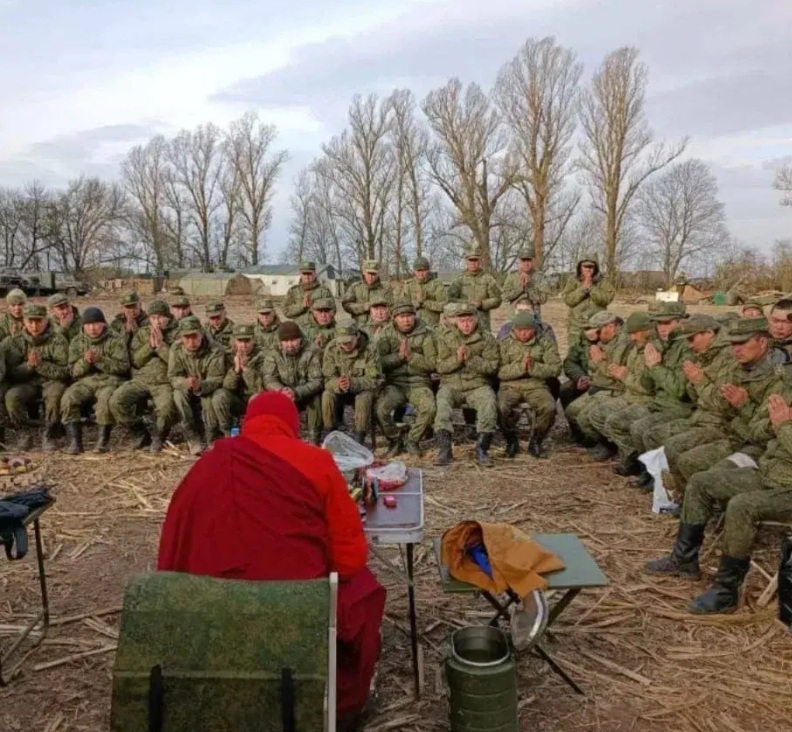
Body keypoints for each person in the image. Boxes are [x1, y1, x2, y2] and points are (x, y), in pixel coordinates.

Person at [156, 391, 386, 729]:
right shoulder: (316, 462)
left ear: (247, 423)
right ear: (292, 425)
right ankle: (344, 709)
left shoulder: (208, 464)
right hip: (298, 608)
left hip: (212, 611)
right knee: (363, 592)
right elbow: (350, 559)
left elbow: (170, 553)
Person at [645, 383, 792, 615]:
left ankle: (726, 592)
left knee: (742, 506)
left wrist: (783, 426)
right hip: (769, 473)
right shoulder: (787, 390)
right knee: (700, 482)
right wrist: (773, 423)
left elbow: (781, 429)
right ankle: (684, 560)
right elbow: (755, 429)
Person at [434, 304, 500, 467]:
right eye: (462, 320)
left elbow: (492, 367)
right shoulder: (446, 337)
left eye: (469, 320)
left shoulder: (486, 338)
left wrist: (471, 359)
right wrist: (457, 360)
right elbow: (440, 366)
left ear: (476, 320)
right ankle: (444, 449)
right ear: (456, 321)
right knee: (442, 405)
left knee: (489, 403)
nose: (465, 324)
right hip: (451, 385)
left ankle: (482, 448)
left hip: (477, 385)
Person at [110, 299, 178, 452]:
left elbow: (177, 363)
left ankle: (159, 437)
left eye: (161, 317)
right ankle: (140, 433)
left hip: (164, 382)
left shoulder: (177, 334)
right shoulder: (142, 333)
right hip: (141, 379)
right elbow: (135, 361)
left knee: (166, 409)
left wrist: (161, 346)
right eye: (153, 318)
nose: (157, 321)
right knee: (116, 401)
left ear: (168, 317)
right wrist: (150, 346)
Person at [2, 303, 70, 451]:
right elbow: (12, 373)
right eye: (30, 321)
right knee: (12, 396)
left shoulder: (58, 340)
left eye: (39, 321)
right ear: (24, 322)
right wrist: (28, 366)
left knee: (55, 395)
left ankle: (50, 434)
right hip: (28, 383)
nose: (34, 325)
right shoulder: (16, 341)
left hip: (51, 382)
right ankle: (23, 433)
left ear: (46, 320)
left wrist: (41, 365)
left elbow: (65, 372)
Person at [62, 307, 130, 454]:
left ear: (104, 324)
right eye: (88, 325)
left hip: (110, 380)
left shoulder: (115, 339)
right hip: (86, 381)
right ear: (83, 326)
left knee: (105, 400)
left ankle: (103, 440)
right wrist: (85, 362)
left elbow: (123, 367)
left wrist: (100, 360)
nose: (92, 328)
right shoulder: (77, 341)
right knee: (68, 398)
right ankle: (76, 441)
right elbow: (73, 371)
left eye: (96, 324)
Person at [375, 300, 437, 456]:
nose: (406, 320)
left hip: (419, 383)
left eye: (409, 316)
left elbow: (433, 364)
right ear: (394, 318)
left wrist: (412, 357)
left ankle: (412, 440)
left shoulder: (426, 333)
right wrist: (398, 357)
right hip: (395, 384)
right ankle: (395, 439)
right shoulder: (386, 333)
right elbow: (378, 362)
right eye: (401, 317)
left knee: (429, 408)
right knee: (380, 409)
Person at [497, 311, 561, 458]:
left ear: (534, 329)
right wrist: (521, 367)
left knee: (549, 407)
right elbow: (500, 371)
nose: (524, 334)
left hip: (537, 385)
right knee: (500, 407)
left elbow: (555, 368)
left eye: (527, 330)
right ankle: (511, 440)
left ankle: (536, 441)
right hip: (510, 385)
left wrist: (533, 367)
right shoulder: (504, 343)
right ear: (513, 330)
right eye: (519, 330)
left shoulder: (545, 343)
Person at [168, 316, 227, 455]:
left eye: (194, 336)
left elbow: (217, 378)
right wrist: (184, 382)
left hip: (208, 388)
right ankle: (192, 436)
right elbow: (173, 375)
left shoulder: (215, 349)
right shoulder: (176, 348)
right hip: (187, 387)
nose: (191, 341)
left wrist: (201, 385)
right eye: (186, 338)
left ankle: (211, 434)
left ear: (201, 333)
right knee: (178, 395)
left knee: (214, 397)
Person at [263, 321, 324, 445]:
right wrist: (281, 390)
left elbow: (317, 381)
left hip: (305, 393)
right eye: (285, 341)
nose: (289, 345)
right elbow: (269, 378)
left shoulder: (312, 350)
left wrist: (296, 392)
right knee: (271, 400)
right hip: (283, 394)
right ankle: (280, 437)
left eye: (293, 340)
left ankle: (314, 438)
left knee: (316, 399)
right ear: (280, 342)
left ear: (300, 339)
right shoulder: (273, 351)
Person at [321, 324, 382, 445]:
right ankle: (329, 433)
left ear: (357, 336)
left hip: (362, 389)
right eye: (342, 343)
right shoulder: (332, 348)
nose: (346, 345)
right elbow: (327, 378)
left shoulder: (370, 349)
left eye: (349, 342)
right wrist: (337, 384)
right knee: (327, 395)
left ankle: (359, 438)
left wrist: (352, 383)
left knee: (363, 399)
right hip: (340, 389)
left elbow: (374, 380)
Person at [216, 324, 266, 436]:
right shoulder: (229, 356)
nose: (244, 345)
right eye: (240, 341)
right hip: (237, 400)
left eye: (247, 341)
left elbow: (259, 387)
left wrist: (246, 369)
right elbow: (227, 386)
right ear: (235, 342)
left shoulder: (263, 356)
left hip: (256, 398)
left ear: (253, 340)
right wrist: (236, 369)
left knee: (257, 398)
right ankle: (227, 432)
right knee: (219, 395)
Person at [447, 247, 502, 334]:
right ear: (467, 262)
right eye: (471, 260)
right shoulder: (460, 279)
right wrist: (466, 303)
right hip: (464, 325)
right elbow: (449, 298)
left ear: (479, 261)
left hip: (483, 324)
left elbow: (497, 299)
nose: (473, 263)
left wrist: (482, 304)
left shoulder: (488, 278)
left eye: (476, 260)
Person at [562, 254, 615, 340]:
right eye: (585, 266)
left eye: (591, 267)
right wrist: (583, 288)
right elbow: (568, 300)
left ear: (596, 268)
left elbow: (606, 299)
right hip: (576, 328)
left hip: (597, 327)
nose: (588, 269)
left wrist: (591, 287)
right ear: (580, 267)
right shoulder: (573, 281)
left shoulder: (603, 281)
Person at [500, 248, 551, 316]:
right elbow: (504, 297)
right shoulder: (512, 276)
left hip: (534, 316)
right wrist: (521, 288)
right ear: (520, 262)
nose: (526, 264)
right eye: (523, 260)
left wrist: (529, 286)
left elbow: (543, 299)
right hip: (514, 316)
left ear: (533, 261)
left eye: (529, 260)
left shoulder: (540, 277)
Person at [282, 261, 334, 326]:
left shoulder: (324, 291)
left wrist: (315, 310)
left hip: (319, 328)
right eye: (304, 274)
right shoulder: (293, 291)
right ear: (300, 274)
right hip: (299, 329)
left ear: (314, 274)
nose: (307, 276)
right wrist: (301, 306)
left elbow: (332, 310)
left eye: (309, 274)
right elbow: (286, 311)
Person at [399, 256, 446, 326]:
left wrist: (425, 302)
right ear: (414, 271)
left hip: (431, 326)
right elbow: (402, 306)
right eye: (418, 271)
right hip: (412, 326)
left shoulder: (437, 284)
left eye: (423, 270)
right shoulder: (408, 285)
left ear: (428, 270)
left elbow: (443, 306)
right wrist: (417, 302)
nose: (421, 274)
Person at [341, 261, 391, 325]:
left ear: (378, 274)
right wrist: (363, 307)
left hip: (380, 326)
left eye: (373, 274)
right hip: (360, 326)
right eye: (368, 273)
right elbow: (346, 305)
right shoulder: (355, 287)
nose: (371, 277)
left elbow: (392, 306)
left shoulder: (386, 288)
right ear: (364, 273)